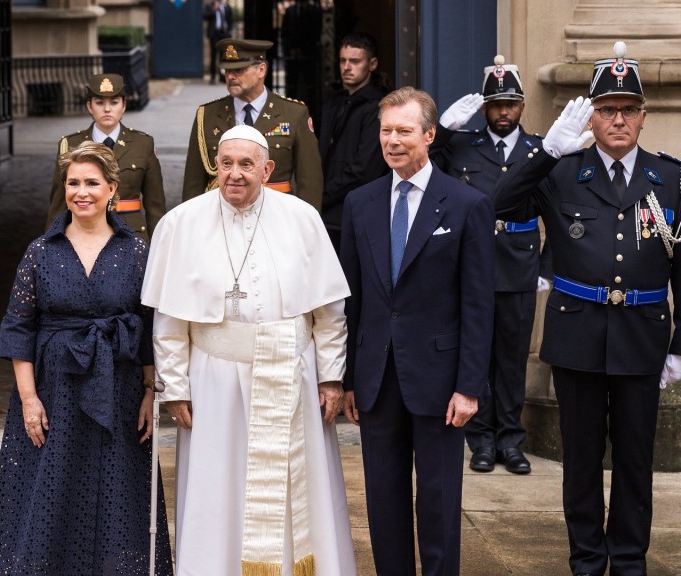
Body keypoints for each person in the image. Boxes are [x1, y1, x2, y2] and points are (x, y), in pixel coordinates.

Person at [492, 42, 681, 576]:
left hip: (641, 338)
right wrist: (545, 153)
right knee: (581, 461)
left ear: (643, 117)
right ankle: (587, 559)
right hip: (577, 336)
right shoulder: (562, 171)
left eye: (627, 109)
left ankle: (629, 560)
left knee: (635, 460)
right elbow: (495, 204)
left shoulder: (672, 179)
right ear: (591, 115)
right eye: (606, 109)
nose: (617, 120)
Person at [142, 124, 356, 575]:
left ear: (267, 168)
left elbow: (329, 311)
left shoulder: (302, 218)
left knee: (298, 489)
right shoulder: (181, 224)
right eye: (225, 163)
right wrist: (175, 388)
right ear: (214, 166)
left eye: (246, 164)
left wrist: (331, 376)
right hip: (214, 381)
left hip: (291, 376)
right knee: (218, 486)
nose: (235, 174)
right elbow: (169, 323)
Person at [0, 142, 173, 575]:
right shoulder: (40, 251)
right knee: (49, 492)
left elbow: (147, 329)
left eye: (91, 183)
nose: (81, 192)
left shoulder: (137, 251)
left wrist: (148, 392)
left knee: (117, 492)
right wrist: (29, 399)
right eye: (73, 183)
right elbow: (18, 328)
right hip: (54, 391)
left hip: (119, 391)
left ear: (112, 190)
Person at [340, 87, 495, 576]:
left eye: (404, 131)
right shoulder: (359, 203)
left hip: (441, 381)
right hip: (377, 379)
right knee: (383, 503)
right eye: (386, 131)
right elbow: (353, 299)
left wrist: (469, 387)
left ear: (429, 135)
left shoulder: (467, 204)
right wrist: (347, 379)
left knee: (438, 501)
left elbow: (478, 305)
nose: (392, 141)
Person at [431, 55, 550, 475]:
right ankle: (480, 440)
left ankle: (510, 440)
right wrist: (443, 132)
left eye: (510, 104)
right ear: (484, 108)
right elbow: (426, 170)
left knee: (512, 358)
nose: (503, 113)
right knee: (475, 358)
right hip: (471, 266)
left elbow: (558, 214)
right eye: (495, 105)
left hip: (519, 266)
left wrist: (546, 267)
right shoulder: (463, 146)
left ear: (521, 106)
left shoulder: (539, 151)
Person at [181, 38, 324, 210]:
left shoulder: (294, 114)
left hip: (274, 214)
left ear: (261, 70)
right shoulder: (208, 115)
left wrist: (304, 228)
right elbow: (193, 184)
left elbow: (310, 182)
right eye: (226, 70)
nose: (230, 76)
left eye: (239, 70)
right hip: (222, 217)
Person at [45, 73, 166, 244]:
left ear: (123, 106)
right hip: (83, 232)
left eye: (114, 102)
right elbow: (58, 205)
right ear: (89, 106)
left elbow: (155, 206)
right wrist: (50, 247)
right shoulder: (70, 145)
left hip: (131, 234)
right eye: (100, 103)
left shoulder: (143, 143)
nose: (107, 109)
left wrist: (159, 250)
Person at [318, 31, 389, 253]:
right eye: (342, 60)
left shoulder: (378, 107)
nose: (346, 67)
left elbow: (364, 169)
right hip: (325, 215)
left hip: (357, 214)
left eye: (355, 61)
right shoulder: (334, 101)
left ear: (372, 64)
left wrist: (321, 196)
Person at [203, 0, 233, 84]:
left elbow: (230, 20)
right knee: (213, 56)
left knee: (223, 57)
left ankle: (222, 76)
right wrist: (214, 10)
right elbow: (205, 16)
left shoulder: (226, 6)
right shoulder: (210, 6)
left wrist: (229, 31)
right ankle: (212, 77)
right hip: (214, 35)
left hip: (224, 34)